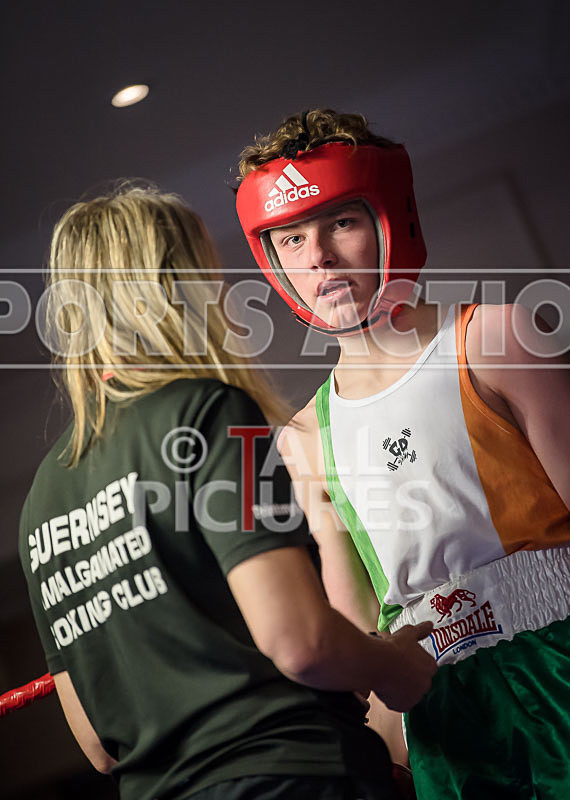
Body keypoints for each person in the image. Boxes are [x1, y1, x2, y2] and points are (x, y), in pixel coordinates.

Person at [18, 184, 437, 800]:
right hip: (295, 775)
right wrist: (393, 666)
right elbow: (302, 642)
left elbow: (97, 744)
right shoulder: (208, 412)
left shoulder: (42, 500)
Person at [235, 109, 570, 798]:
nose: (318, 257)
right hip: (438, 716)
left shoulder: (496, 338)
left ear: (392, 218)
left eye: (340, 223)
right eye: (291, 238)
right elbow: (361, 628)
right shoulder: (304, 436)